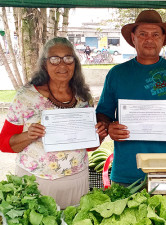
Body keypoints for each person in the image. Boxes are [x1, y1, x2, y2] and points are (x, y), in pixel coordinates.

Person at [0, 37, 107, 208]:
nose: (62, 65)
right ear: (44, 64)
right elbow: (4, 144)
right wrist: (29, 135)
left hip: (76, 180)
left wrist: (99, 136)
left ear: (75, 63)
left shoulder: (83, 98)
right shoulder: (26, 97)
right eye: (54, 59)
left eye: (68, 58)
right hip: (35, 183)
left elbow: (88, 146)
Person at [96, 10, 166, 185]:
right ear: (133, 38)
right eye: (142, 34)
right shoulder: (116, 74)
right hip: (126, 171)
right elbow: (103, 114)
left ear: (163, 39)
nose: (149, 39)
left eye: (155, 34)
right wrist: (109, 127)